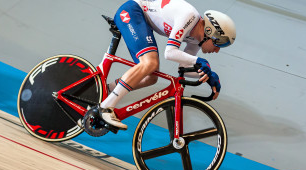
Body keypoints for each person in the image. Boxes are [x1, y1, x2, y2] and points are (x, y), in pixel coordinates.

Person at [99, 0, 236, 130]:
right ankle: (105, 107)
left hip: (142, 20)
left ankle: (105, 90)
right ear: (210, 32)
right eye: (219, 44)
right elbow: (169, 53)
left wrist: (209, 75)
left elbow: (183, 69)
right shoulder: (190, 16)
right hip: (133, 11)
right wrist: (198, 61)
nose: (217, 50)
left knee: (151, 77)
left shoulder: (196, 40)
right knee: (150, 63)